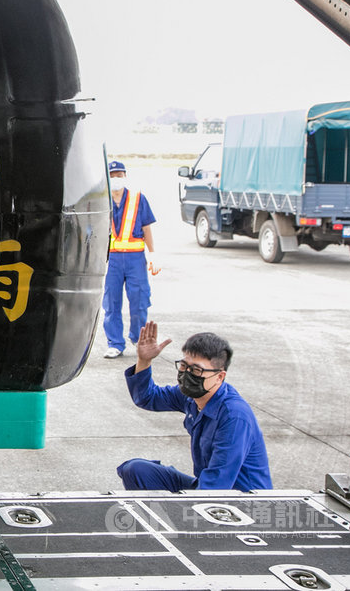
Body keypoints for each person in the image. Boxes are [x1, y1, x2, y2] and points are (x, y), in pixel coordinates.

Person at [117, 322, 272, 491]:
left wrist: (187, 509)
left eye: (197, 371)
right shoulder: (191, 396)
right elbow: (147, 398)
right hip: (206, 487)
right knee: (136, 470)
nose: (187, 374)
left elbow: (216, 485)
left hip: (240, 501)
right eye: (184, 366)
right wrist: (144, 361)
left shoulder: (234, 417)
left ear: (220, 377)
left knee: (198, 499)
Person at [103, 160, 157, 358]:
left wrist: (153, 254)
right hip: (112, 260)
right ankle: (115, 343)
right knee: (111, 303)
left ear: (125, 176)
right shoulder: (102, 200)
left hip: (135, 259)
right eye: (112, 176)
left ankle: (138, 337)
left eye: (119, 175)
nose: (116, 179)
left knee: (139, 301)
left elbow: (146, 228)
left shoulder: (138, 198)